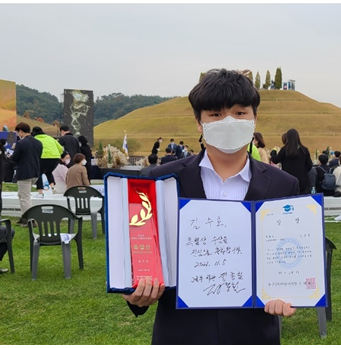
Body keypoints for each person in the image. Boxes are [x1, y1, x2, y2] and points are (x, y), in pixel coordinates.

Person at [124, 68, 299, 345]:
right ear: (199, 122)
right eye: (216, 115)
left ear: (254, 118)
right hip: (181, 333)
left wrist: (293, 292)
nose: (228, 122)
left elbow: (289, 257)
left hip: (253, 334)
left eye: (240, 113)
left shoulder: (283, 185)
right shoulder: (158, 182)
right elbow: (142, 255)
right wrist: (135, 291)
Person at [10, 122, 43, 227]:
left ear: (21, 131)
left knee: (25, 197)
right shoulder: (38, 142)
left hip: (24, 173)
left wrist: (11, 154)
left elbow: (15, 158)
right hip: (35, 172)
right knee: (21, 195)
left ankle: (30, 220)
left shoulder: (21, 143)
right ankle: (24, 217)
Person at [270, 128, 313, 194]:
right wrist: (303, 172)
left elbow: (275, 160)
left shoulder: (284, 150)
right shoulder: (304, 150)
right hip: (302, 182)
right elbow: (310, 164)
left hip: (288, 181)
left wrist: (273, 152)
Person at [32, 127, 63, 198]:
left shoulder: (34, 139)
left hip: (42, 157)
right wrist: (58, 154)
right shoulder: (50, 138)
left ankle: (40, 192)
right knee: (49, 172)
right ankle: (53, 188)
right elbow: (61, 148)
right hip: (55, 158)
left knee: (38, 173)